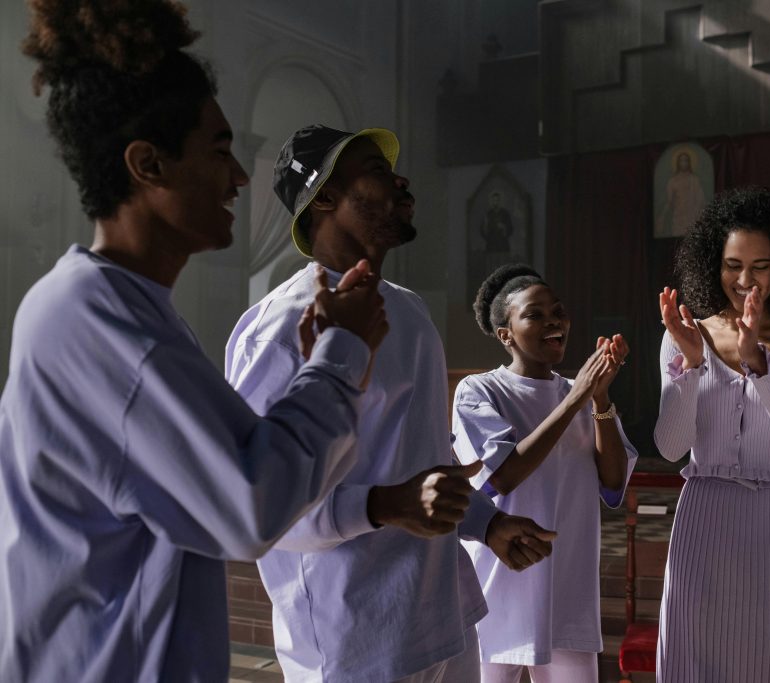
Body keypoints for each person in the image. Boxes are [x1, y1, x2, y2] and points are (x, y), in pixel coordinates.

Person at [0, 2, 388, 682]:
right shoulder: (91, 316)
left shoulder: (122, 309)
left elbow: (240, 464)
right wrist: (340, 355)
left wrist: (315, 365)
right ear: (148, 164)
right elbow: (249, 504)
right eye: (218, 150)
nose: (239, 176)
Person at [226, 124, 557, 683]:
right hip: (354, 641)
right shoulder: (281, 329)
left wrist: (484, 522)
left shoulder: (409, 313)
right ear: (324, 197)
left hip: (443, 620)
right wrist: (387, 505)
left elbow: (419, 467)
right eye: (376, 171)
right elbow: (257, 504)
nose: (400, 180)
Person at [654, 186, 770, 682]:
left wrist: (759, 361)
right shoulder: (685, 333)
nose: (745, 280)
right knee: (698, 657)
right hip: (704, 520)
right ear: (714, 263)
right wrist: (690, 363)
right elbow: (669, 447)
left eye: (761, 266)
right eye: (733, 264)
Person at [451, 264, 638, 682]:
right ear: (506, 334)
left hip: (568, 592)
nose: (554, 320)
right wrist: (575, 399)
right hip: (498, 593)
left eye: (558, 311)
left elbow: (612, 483)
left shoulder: (583, 394)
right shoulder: (480, 391)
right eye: (535, 314)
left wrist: (599, 397)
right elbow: (501, 476)